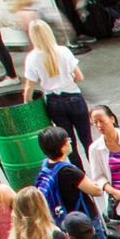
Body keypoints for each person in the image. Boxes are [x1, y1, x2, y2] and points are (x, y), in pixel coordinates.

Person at [17, 22, 87, 158]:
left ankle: (78, 175)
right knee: (86, 139)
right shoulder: (63, 51)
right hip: (74, 97)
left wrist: (28, 102)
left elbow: (29, 86)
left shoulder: (32, 58)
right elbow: (80, 77)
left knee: (67, 143)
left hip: (54, 102)